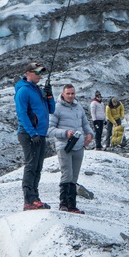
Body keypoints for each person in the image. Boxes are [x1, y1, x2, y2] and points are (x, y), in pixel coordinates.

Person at [14, 61, 56, 210]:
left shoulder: (37, 90)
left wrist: (50, 95)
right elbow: (22, 114)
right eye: (37, 72)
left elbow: (51, 109)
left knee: (38, 167)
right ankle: (29, 200)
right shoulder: (23, 91)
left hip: (40, 134)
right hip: (29, 134)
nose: (40, 75)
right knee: (31, 166)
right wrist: (33, 133)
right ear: (28, 74)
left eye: (40, 72)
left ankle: (35, 198)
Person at [49, 84, 94, 213]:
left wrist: (90, 134)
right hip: (64, 146)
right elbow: (50, 129)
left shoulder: (78, 107)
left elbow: (85, 123)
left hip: (79, 145)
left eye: (72, 93)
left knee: (74, 176)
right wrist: (65, 133)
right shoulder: (56, 108)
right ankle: (63, 204)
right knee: (67, 174)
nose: (70, 96)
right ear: (63, 94)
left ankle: (72, 205)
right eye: (68, 93)